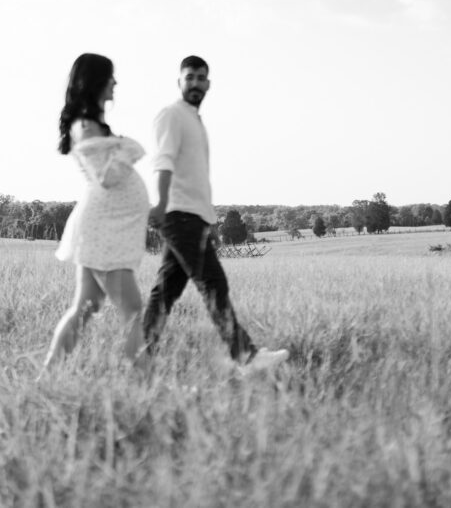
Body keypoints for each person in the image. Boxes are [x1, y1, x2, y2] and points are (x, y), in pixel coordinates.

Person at [142, 55, 289, 371]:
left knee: (165, 292)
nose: (195, 83)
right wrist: (161, 203)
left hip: (191, 215)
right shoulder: (171, 115)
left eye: (201, 78)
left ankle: (141, 358)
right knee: (213, 283)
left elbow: (197, 179)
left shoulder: (195, 121)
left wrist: (209, 223)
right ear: (179, 81)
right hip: (178, 214)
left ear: (208, 83)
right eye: (189, 77)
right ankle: (245, 356)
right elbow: (162, 162)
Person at [39, 53, 149, 374]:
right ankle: (147, 381)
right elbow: (106, 177)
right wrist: (128, 148)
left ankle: (47, 376)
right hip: (104, 230)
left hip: (106, 228)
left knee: (85, 308)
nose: (115, 82)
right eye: (110, 76)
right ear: (96, 82)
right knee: (132, 309)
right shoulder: (84, 127)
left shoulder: (94, 125)